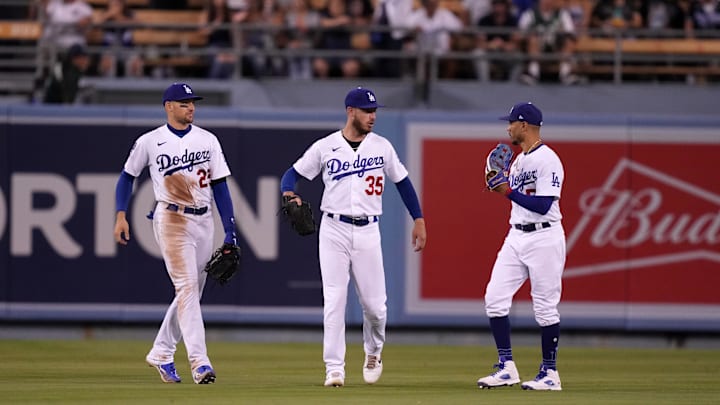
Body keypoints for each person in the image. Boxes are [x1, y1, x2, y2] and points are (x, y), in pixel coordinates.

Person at [280, 87, 427, 387]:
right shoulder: (326, 146)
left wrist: (419, 219)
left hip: (368, 231)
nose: (372, 116)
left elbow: (404, 184)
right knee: (333, 300)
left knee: (375, 307)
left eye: (374, 111)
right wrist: (288, 193)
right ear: (350, 111)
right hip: (333, 228)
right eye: (366, 111)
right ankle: (334, 368)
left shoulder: (382, 147)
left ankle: (373, 351)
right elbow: (290, 174)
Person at [113, 83, 239, 385]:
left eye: (192, 103)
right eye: (184, 103)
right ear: (168, 106)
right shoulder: (150, 141)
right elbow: (126, 177)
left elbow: (220, 186)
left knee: (191, 292)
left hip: (204, 219)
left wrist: (230, 230)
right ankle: (200, 363)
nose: (191, 107)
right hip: (171, 219)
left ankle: (161, 352)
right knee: (186, 289)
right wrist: (120, 215)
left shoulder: (208, 140)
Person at [476, 101, 566, 391]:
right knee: (494, 298)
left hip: (544, 236)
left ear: (524, 125)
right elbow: (512, 193)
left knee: (545, 308)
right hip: (516, 236)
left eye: (511, 123)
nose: (508, 127)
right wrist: (498, 185)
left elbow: (542, 205)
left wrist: (507, 191)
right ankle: (507, 367)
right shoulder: (518, 160)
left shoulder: (548, 159)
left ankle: (550, 373)